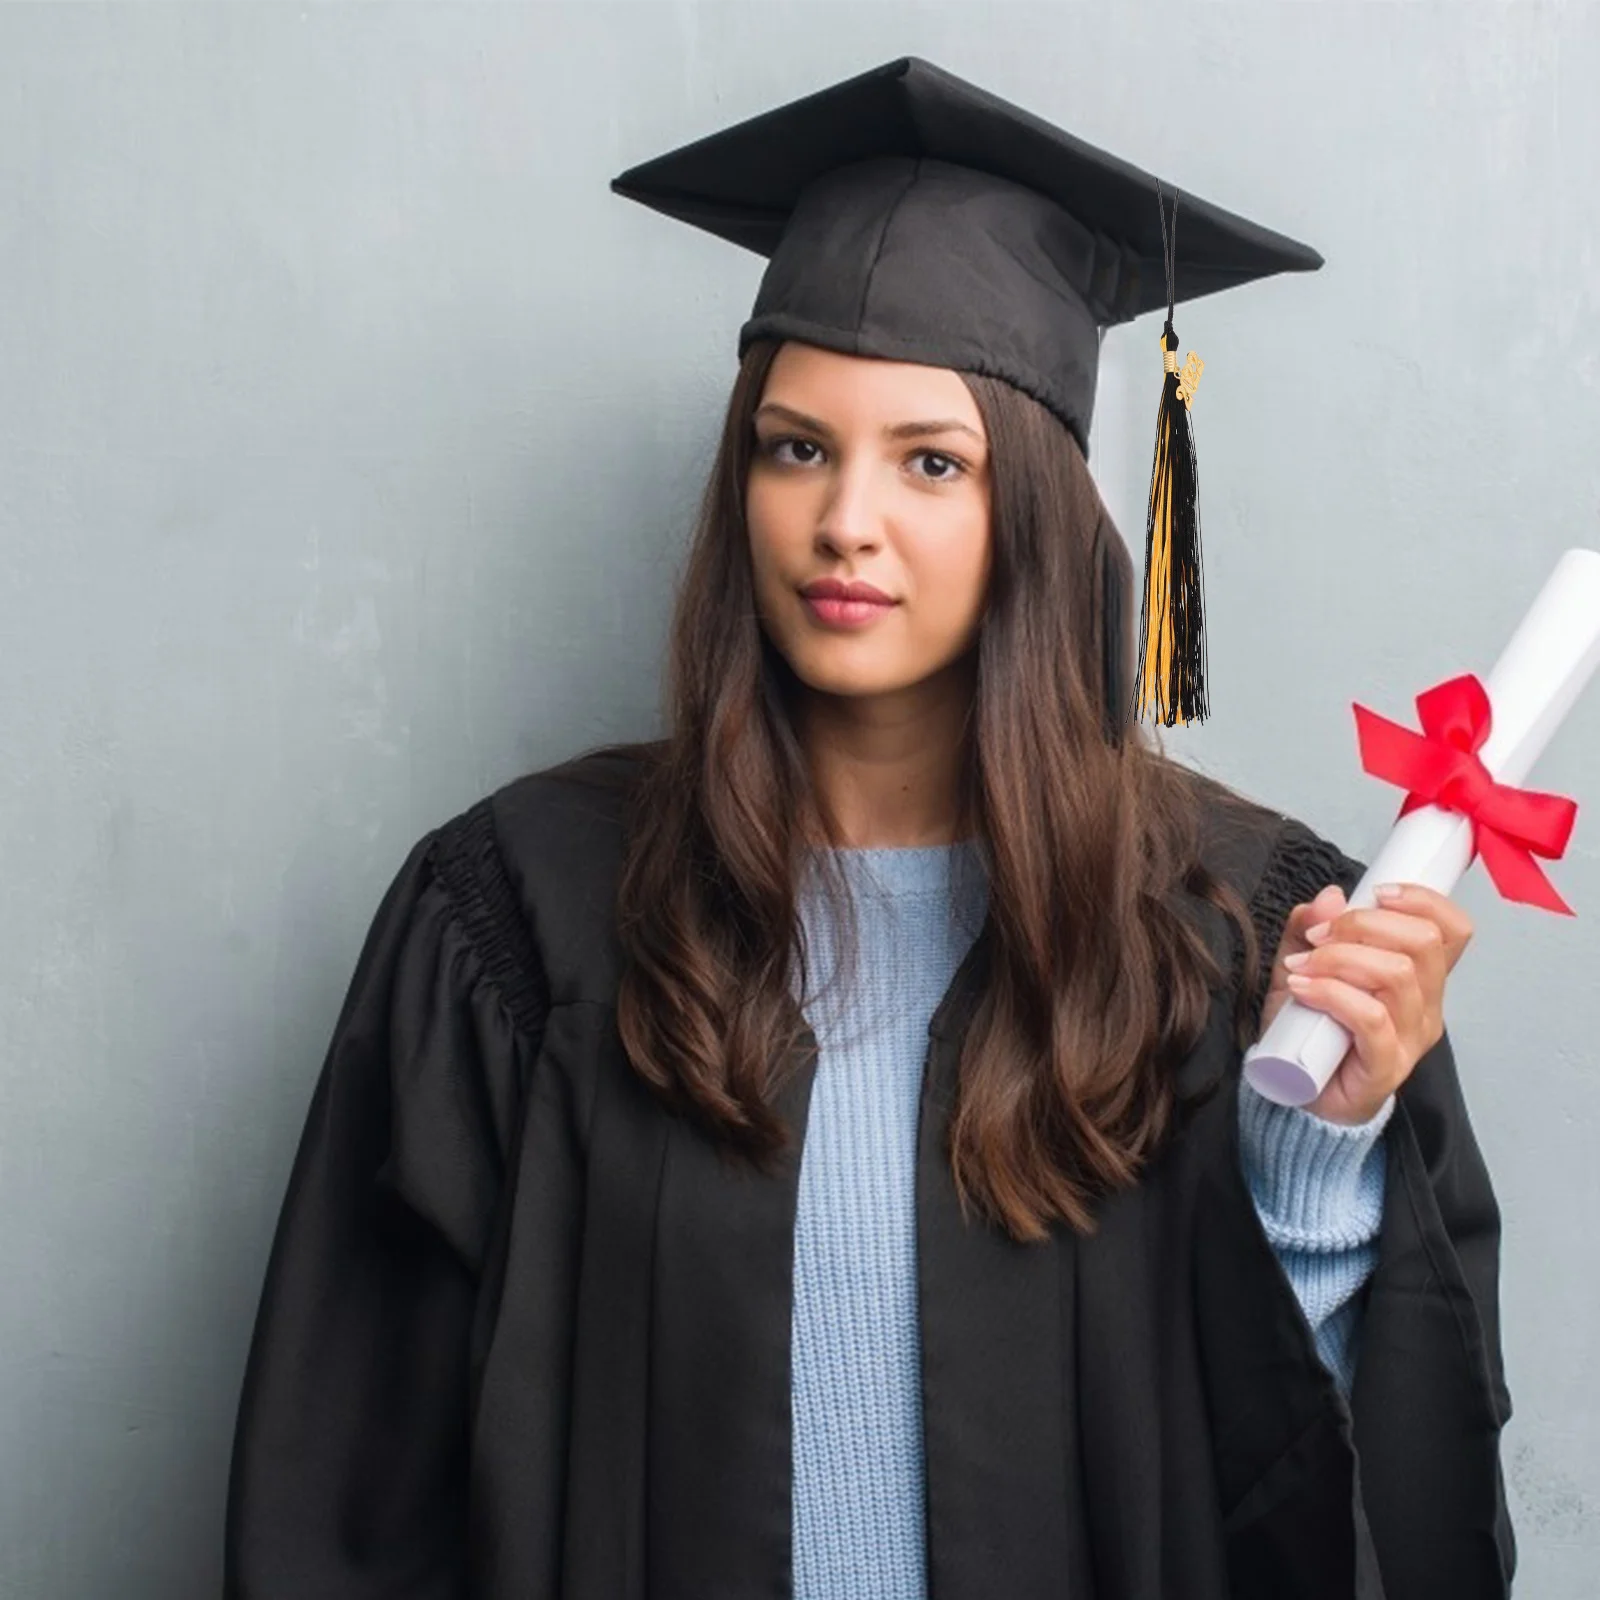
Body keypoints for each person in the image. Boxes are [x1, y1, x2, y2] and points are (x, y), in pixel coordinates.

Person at [223, 57, 1514, 1600]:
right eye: (796, 446)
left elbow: (1340, 1510)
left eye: (931, 460)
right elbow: (353, 1494)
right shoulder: (523, 916)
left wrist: (1326, 1154)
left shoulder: (1232, 930)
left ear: (1029, 505)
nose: (847, 519)